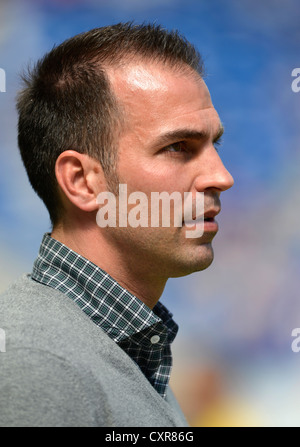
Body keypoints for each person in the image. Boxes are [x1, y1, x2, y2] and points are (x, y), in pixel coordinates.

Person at [0, 22, 234, 427]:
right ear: (82, 182)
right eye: (178, 147)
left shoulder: (127, 346)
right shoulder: (35, 362)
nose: (221, 176)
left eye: (215, 144)